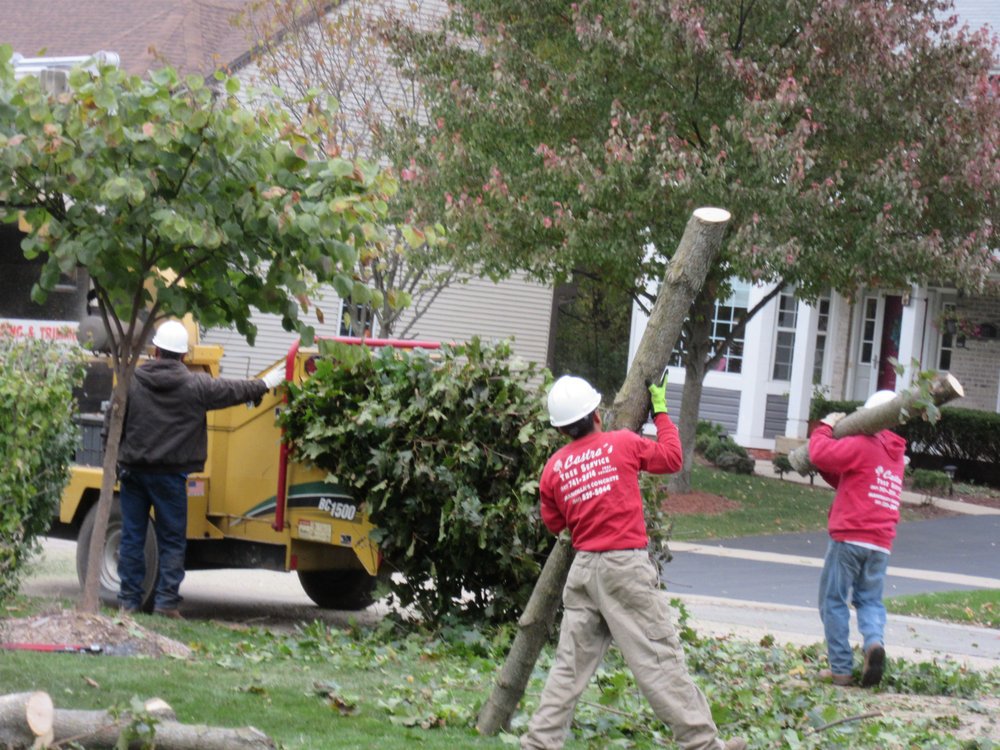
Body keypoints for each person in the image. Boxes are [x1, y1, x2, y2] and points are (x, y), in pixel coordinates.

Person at [520, 374, 746, 750]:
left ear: (561, 429)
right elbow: (672, 458)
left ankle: (539, 744)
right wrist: (659, 410)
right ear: (597, 413)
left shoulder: (554, 469)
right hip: (625, 569)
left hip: (584, 572)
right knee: (658, 657)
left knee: (569, 667)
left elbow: (555, 523)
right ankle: (702, 744)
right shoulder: (622, 443)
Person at [116, 320, 285, 618]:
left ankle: (129, 602)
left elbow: (112, 422)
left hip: (134, 472)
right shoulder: (196, 386)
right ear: (183, 356)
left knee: (132, 537)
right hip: (171, 476)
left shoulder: (131, 380)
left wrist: (115, 461)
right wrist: (265, 383)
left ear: (155, 350)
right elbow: (233, 390)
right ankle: (166, 604)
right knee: (172, 539)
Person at [808, 389, 906, 688]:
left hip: (850, 538)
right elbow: (850, 477)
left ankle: (840, 669)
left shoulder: (864, 443)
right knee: (870, 601)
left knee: (832, 601)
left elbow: (819, 452)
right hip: (881, 544)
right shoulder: (896, 457)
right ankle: (874, 643)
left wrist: (824, 427)